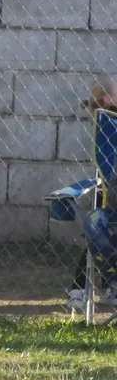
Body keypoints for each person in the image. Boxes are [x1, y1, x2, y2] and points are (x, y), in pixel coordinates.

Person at [65, 77, 117, 311]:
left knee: (101, 233)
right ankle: (104, 285)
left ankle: (85, 287)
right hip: (111, 194)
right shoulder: (109, 123)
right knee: (99, 228)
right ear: (108, 99)